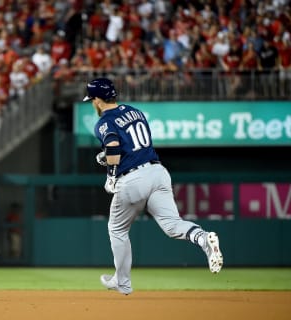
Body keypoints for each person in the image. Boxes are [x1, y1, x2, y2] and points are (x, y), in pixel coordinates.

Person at [83, 78, 223, 295]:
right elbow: (131, 144)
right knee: (173, 226)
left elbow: (113, 146)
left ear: (98, 99)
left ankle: (123, 282)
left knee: (117, 229)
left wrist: (111, 175)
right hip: (158, 172)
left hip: (132, 179)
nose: (92, 103)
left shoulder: (103, 121)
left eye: (92, 99)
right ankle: (203, 238)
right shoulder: (135, 111)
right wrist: (108, 155)